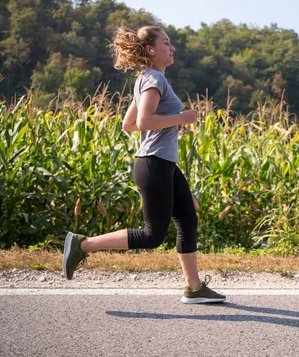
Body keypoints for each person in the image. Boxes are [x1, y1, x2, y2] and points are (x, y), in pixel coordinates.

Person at [62, 25, 225, 304]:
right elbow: (143, 123)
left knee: (187, 218)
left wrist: (169, 121)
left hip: (163, 163)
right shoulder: (153, 80)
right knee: (152, 236)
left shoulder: (147, 79)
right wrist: (181, 118)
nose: (172, 48)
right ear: (151, 50)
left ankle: (194, 287)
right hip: (154, 163)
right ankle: (82, 244)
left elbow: (128, 124)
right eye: (166, 43)